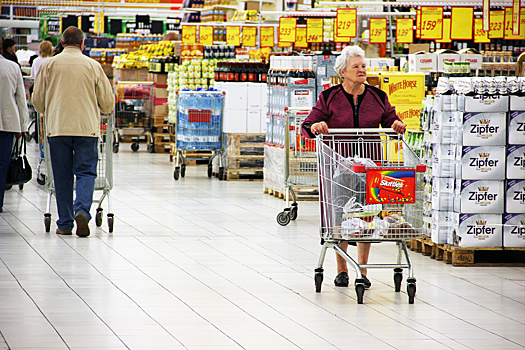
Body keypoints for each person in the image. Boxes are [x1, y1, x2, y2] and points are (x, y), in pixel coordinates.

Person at [301, 45, 406, 289]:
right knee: (340, 215)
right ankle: (342, 270)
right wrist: (316, 126)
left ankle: (363, 270)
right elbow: (307, 125)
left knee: (366, 217)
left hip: (370, 166)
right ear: (343, 72)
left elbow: (390, 118)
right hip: (339, 168)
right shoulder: (329, 97)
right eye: (356, 67)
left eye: (363, 66)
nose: (361, 70)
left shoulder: (377, 96)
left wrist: (397, 124)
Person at [32, 26, 114, 237]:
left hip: (57, 128)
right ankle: (82, 212)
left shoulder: (48, 65)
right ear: (82, 44)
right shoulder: (93, 66)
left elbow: (38, 103)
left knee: (62, 175)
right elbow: (107, 103)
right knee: (86, 172)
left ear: (61, 42)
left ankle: (66, 223)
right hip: (87, 129)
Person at [0, 37, 29, 213]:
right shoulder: (12, 67)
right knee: (3, 164)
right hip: (8, 122)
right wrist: (23, 126)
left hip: (8, 123)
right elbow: (20, 99)